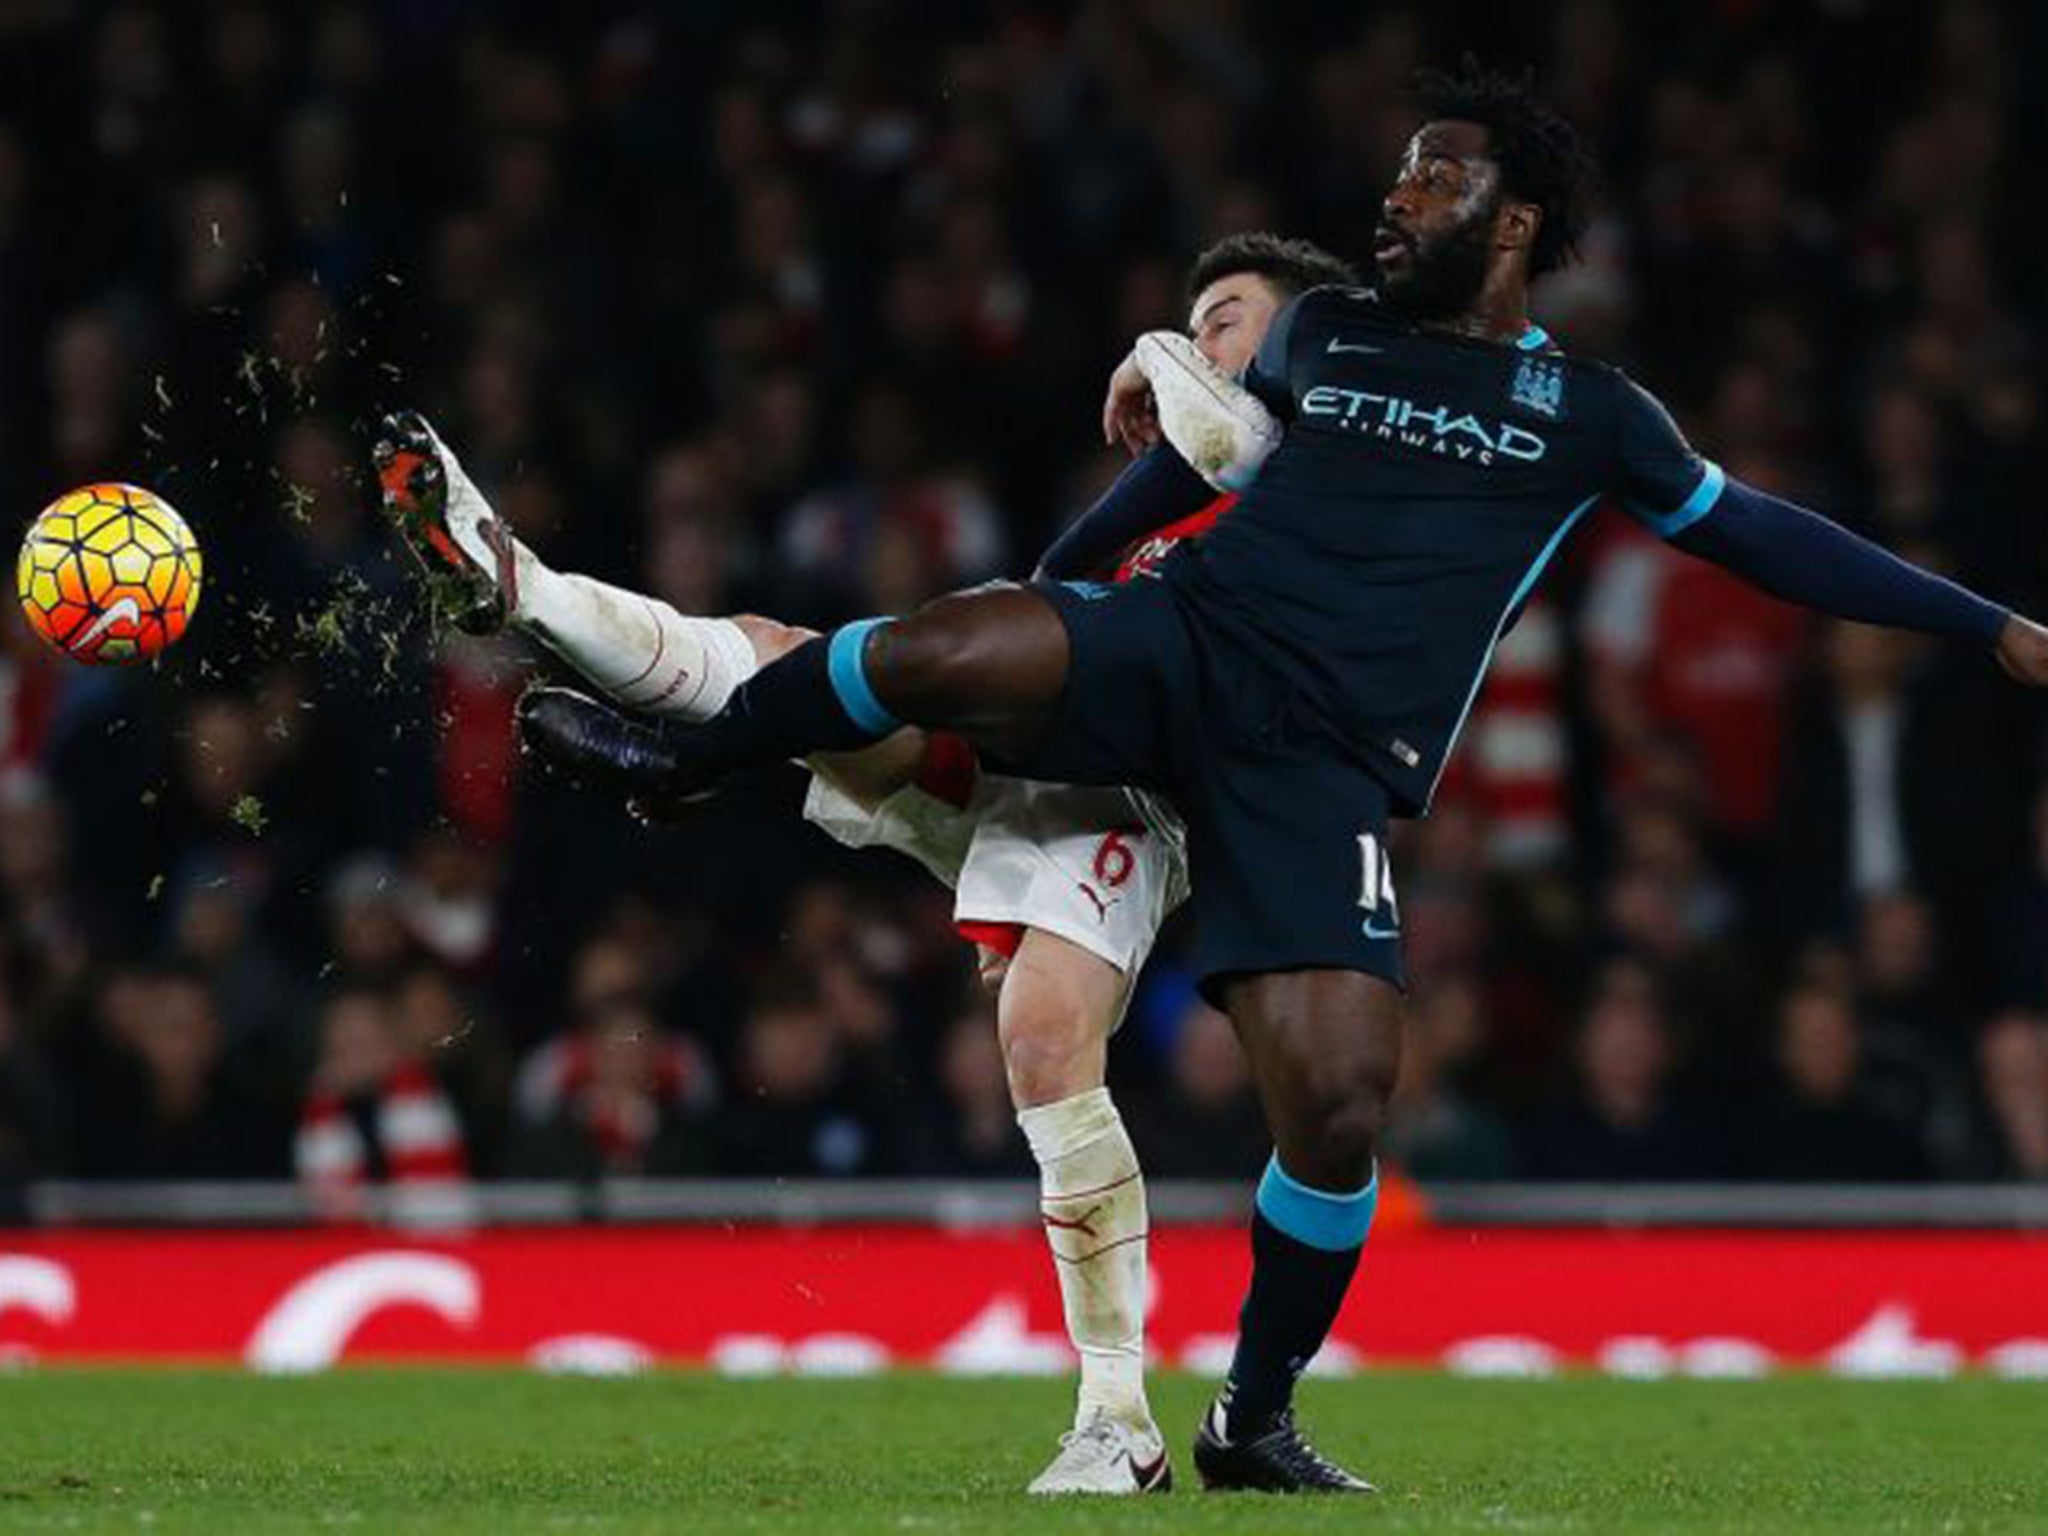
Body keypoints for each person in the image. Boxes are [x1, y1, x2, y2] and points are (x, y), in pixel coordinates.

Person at [509, 60, 2048, 1493]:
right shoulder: (1326, 335)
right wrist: (1058, 599)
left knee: (1336, 1105)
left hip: (1323, 757)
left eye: (1433, 180)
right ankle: (686, 756)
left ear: (1513, 224)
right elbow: (1185, 473)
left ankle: (1250, 1418)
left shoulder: (1594, 414)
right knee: (938, 643)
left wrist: (1987, 627)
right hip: (1188, 640)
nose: (1396, 197)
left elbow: (1762, 532)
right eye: (1396, 174)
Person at [377, 234, 1359, 1494]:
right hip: (1030, 716)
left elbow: (1238, 437)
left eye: (1226, 320)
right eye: (1195, 321)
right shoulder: (1173, 481)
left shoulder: (1313, 463)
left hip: (1130, 780)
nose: (1205, 340)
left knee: (1044, 1035)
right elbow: (1063, 573)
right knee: (784, 653)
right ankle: (523, 589)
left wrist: (1153, 359)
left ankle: (1116, 1418)